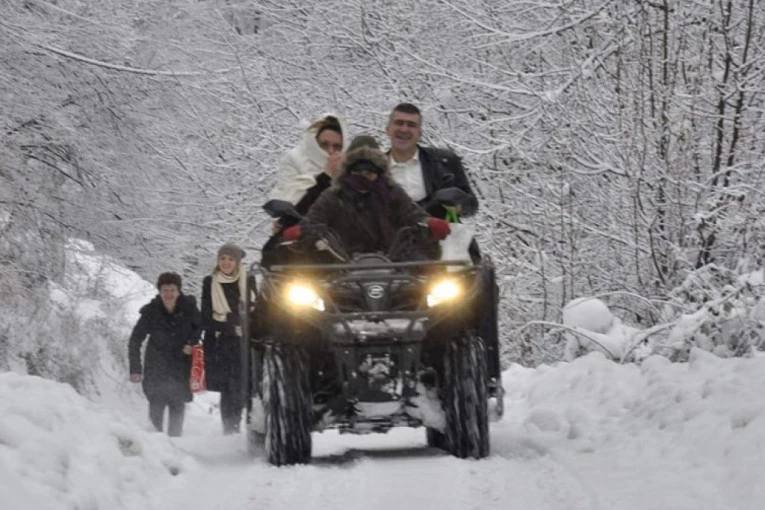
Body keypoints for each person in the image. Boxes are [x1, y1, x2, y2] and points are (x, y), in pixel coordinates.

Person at [282, 145, 452, 256]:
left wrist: (430, 223)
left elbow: (412, 213)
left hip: (393, 261)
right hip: (341, 263)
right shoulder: (333, 196)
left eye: (369, 173)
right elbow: (314, 219)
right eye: (358, 173)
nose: (363, 177)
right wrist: (300, 232)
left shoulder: (392, 193)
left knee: (433, 284)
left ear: (379, 175)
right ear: (349, 173)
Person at [129, 272, 201, 437]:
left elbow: (199, 328)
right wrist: (135, 369)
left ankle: (176, 445)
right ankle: (155, 448)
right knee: (155, 415)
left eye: (172, 290)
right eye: (165, 290)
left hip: (181, 367)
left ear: (179, 291)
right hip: (156, 368)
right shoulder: (150, 312)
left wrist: (191, 344)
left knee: (177, 412)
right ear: (159, 291)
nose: (169, 294)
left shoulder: (189, 309)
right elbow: (135, 340)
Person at [201, 243, 257, 434]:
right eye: (222, 258)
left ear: (237, 262)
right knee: (227, 388)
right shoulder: (210, 282)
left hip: (244, 342)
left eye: (230, 259)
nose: (226, 263)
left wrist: (238, 322)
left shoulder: (248, 280)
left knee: (242, 386)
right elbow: (206, 314)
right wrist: (231, 325)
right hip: (220, 342)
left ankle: (241, 427)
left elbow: (254, 310)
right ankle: (229, 429)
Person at [386, 102, 478, 218]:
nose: (404, 129)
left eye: (411, 125)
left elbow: (472, 206)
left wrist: (459, 204)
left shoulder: (445, 162)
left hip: (442, 229)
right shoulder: (374, 170)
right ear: (388, 130)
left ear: (420, 134)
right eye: (399, 123)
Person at [270, 114, 349, 221]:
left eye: (337, 147)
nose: (330, 151)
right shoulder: (294, 160)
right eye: (324, 144)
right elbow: (287, 208)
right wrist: (326, 176)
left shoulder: (349, 167)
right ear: (314, 142)